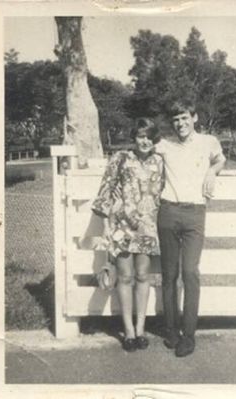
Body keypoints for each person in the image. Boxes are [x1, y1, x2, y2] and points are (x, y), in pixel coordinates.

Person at [156, 100, 226, 357]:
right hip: (168, 211)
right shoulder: (164, 144)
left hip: (195, 213)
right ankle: (171, 329)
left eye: (185, 118)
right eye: (176, 119)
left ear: (194, 117)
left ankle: (189, 334)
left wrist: (212, 172)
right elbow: (140, 149)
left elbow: (220, 160)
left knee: (189, 272)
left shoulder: (209, 141)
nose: (180, 124)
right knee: (169, 273)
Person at [92, 118, 164, 352]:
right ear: (134, 137)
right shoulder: (120, 159)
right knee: (124, 277)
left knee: (143, 276)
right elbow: (105, 192)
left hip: (147, 226)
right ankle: (129, 331)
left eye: (150, 137)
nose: (145, 141)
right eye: (141, 136)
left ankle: (141, 329)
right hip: (121, 227)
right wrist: (105, 227)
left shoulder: (159, 161)